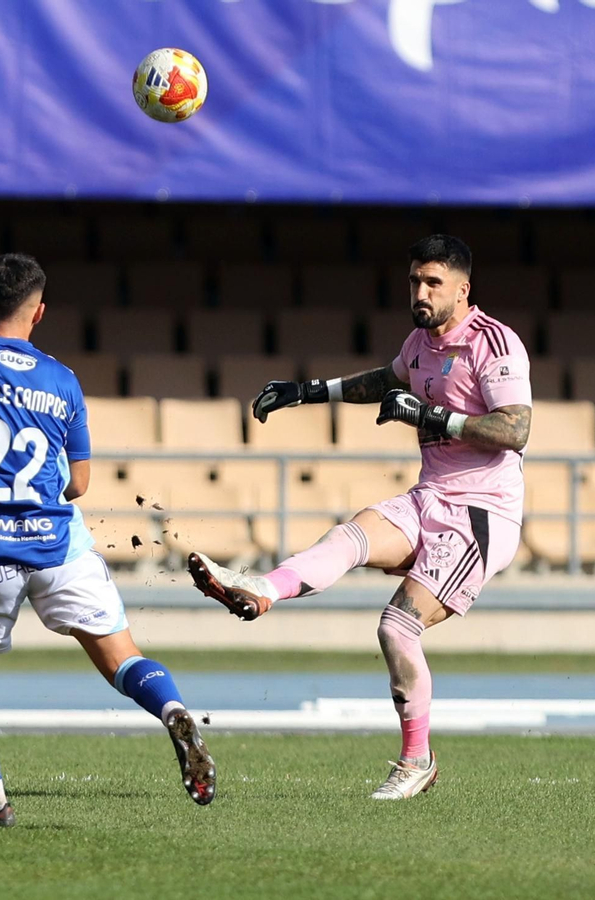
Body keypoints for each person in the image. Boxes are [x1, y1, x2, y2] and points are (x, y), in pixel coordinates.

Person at [187, 234, 532, 801]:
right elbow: (387, 378)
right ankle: (259, 589)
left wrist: (433, 417)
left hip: (479, 514)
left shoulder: (493, 344)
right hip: (429, 497)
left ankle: (417, 761)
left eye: (433, 283)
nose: (420, 292)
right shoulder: (420, 341)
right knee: (351, 535)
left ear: (463, 289)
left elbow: (515, 430)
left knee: (397, 628)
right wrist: (306, 391)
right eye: (415, 281)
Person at [0, 253, 217, 826]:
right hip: (59, 548)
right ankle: (172, 708)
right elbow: (79, 482)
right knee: (124, 660)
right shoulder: (62, 379)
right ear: (39, 312)